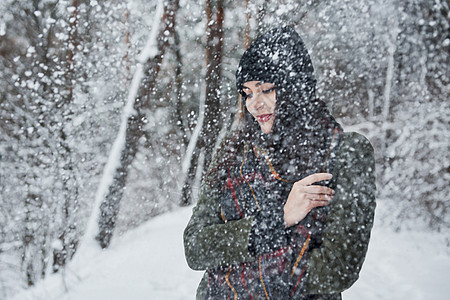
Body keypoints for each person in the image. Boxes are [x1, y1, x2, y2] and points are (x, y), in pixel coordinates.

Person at [184, 25, 376, 299]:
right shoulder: (231, 154)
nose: (255, 104)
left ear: (295, 87)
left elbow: (337, 269)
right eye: (248, 93)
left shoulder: (344, 152)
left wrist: (229, 273)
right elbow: (195, 248)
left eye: (266, 90)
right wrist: (278, 220)